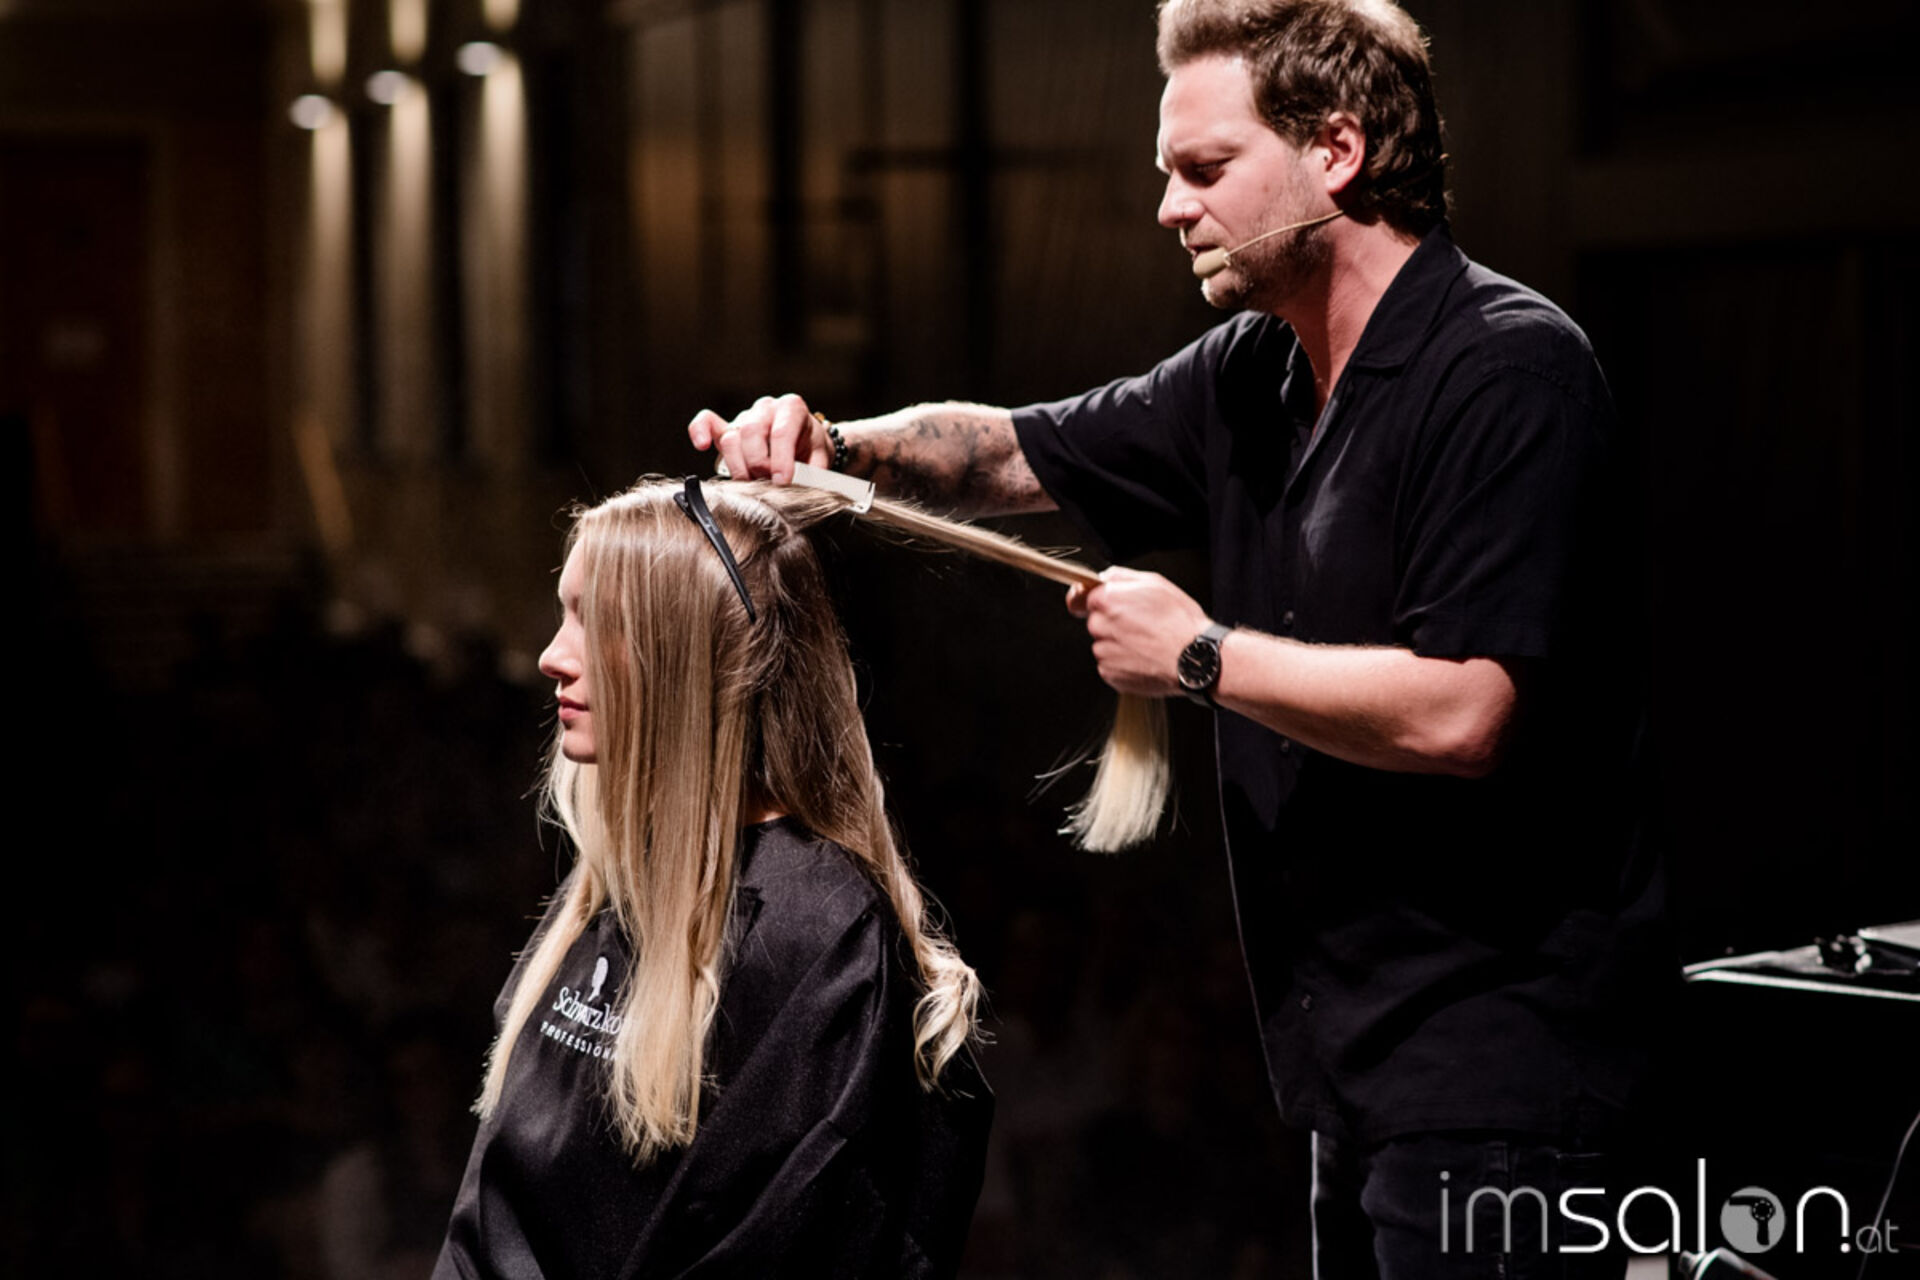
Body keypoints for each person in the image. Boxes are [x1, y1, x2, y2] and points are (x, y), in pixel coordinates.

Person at [688, 1, 1674, 1276]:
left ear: (1336, 151)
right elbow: (1011, 451)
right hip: (1352, 1075)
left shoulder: (1509, 371)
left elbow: (1468, 712)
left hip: (1510, 1080)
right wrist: (828, 447)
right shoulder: (1253, 376)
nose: (1169, 207)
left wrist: (1200, 655)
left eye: (1205, 169)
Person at [433, 478, 994, 1279]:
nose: (552, 655)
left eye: (597, 622)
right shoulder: (608, 893)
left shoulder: (822, 936)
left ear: (689, 652)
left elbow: (790, 1245)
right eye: (565, 615)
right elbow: (492, 1211)